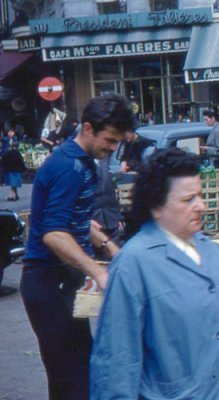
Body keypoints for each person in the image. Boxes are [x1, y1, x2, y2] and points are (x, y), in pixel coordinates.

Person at [90, 148, 219, 399]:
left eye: (200, 196)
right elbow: (116, 364)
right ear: (156, 207)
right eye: (187, 199)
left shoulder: (210, 251)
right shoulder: (133, 263)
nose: (200, 205)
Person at [20, 93, 131, 400]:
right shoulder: (68, 167)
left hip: (62, 284)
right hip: (48, 284)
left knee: (72, 377)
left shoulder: (83, 163)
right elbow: (54, 235)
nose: (111, 149)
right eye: (109, 140)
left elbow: (76, 221)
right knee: (75, 381)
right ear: (87, 128)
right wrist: (98, 271)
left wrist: (110, 247)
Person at [92, 157, 123, 251]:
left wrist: (119, 217)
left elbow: (111, 193)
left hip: (111, 219)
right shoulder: (80, 165)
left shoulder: (104, 163)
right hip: (93, 222)